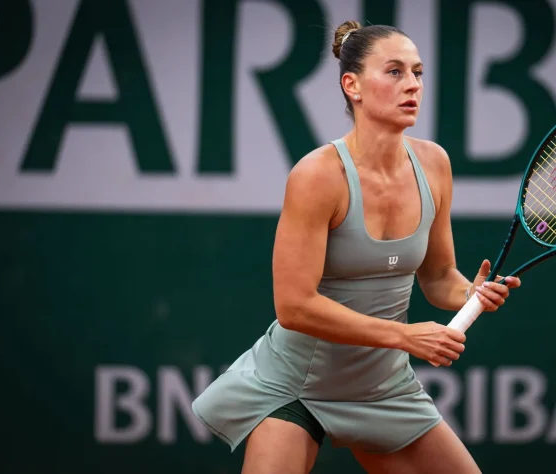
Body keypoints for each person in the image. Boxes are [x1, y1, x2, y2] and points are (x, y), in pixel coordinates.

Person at [192, 20, 522, 474]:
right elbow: (294, 306)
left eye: (417, 72)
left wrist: (470, 294)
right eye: (394, 72)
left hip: (382, 388)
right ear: (353, 86)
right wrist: (405, 337)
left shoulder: (435, 164)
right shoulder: (317, 176)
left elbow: (438, 277)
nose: (412, 85)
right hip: (296, 387)